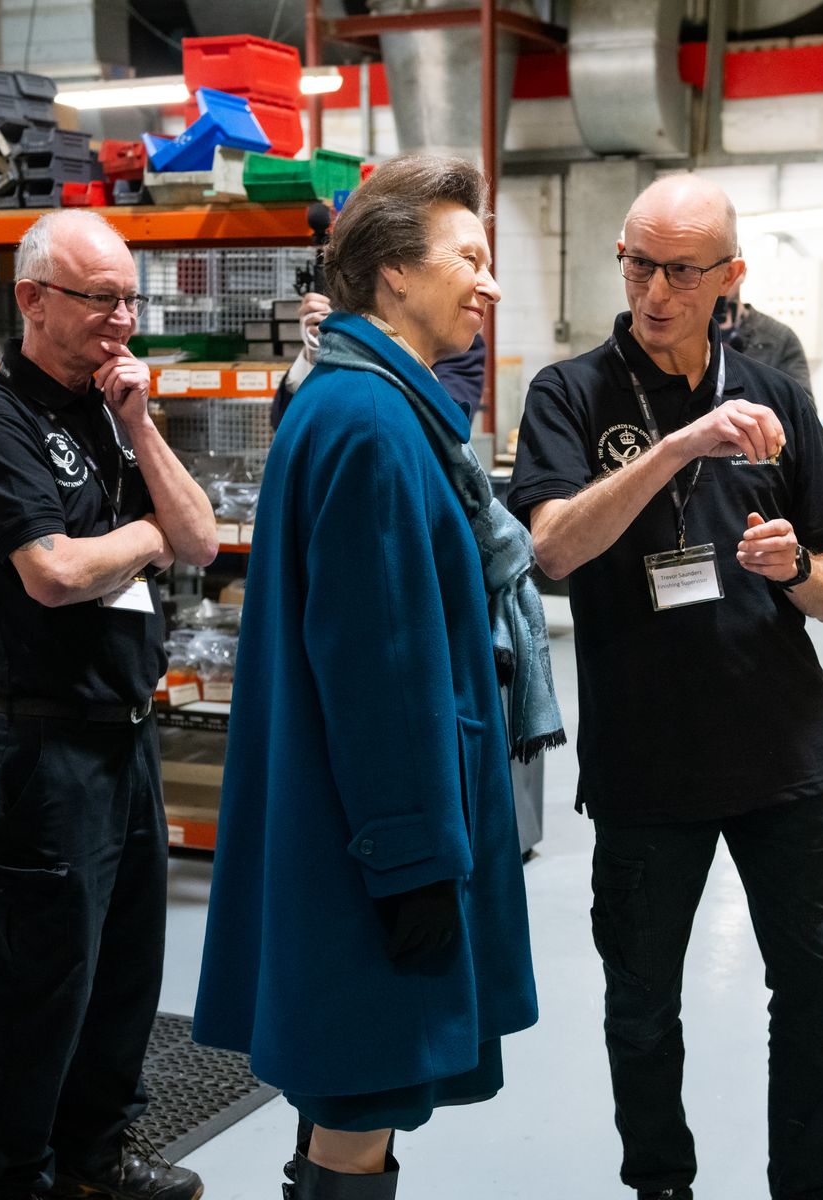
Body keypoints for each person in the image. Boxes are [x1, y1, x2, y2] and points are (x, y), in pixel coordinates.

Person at [192, 154, 560, 1200]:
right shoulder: (373, 425)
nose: (488, 283)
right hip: (373, 847)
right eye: (470, 258)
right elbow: (380, 674)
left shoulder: (358, 402)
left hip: (349, 830)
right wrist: (412, 866)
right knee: (363, 1096)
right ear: (393, 274)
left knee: (348, 1091)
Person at [508, 173, 823, 1200]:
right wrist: (676, 446)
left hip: (783, 753)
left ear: (729, 280)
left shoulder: (776, 396)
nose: (653, 290)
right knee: (639, 1001)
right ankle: (660, 1183)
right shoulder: (569, 394)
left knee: (815, 985)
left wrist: (795, 568)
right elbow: (553, 552)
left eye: (679, 271)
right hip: (645, 764)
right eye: (636, 264)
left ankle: (809, 1184)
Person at [0, 209, 216, 1200]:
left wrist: (140, 423)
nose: (119, 320)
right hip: (45, 746)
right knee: (40, 985)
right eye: (98, 299)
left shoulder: (111, 405)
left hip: (127, 736)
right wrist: (141, 534)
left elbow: (202, 538)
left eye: (129, 299)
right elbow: (52, 574)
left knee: (126, 972)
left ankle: (95, 1158)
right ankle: (10, 1175)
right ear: (32, 301)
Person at [274, 289, 488, 426]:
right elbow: (284, 421)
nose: (490, 290)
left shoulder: (458, 348)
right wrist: (316, 354)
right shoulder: (349, 335)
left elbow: (439, 424)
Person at [715, 275, 812, 391]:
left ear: (739, 270)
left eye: (728, 271)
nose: (720, 280)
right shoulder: (689, 335)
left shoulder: (780, 338)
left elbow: (801, 405)